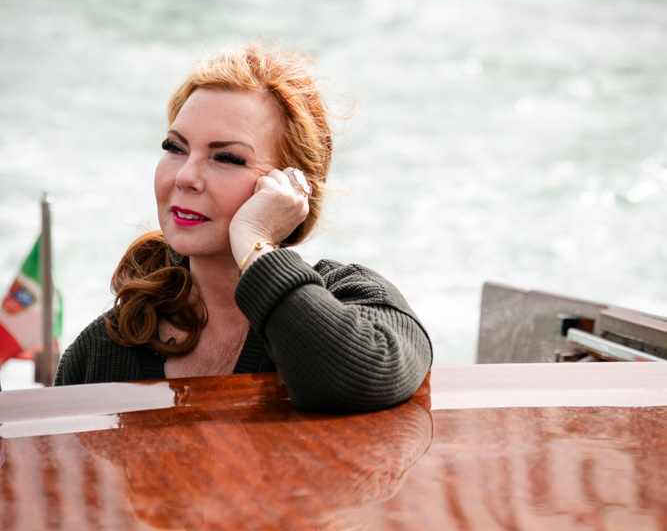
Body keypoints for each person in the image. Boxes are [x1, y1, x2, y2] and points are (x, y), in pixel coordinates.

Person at [55, 43, 432, 412]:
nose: (186, 177)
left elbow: (357, 379)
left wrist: (252, 239)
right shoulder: (103, 349)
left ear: (291, 187)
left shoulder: (354, 298)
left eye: (227, 158)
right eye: (175, 148)